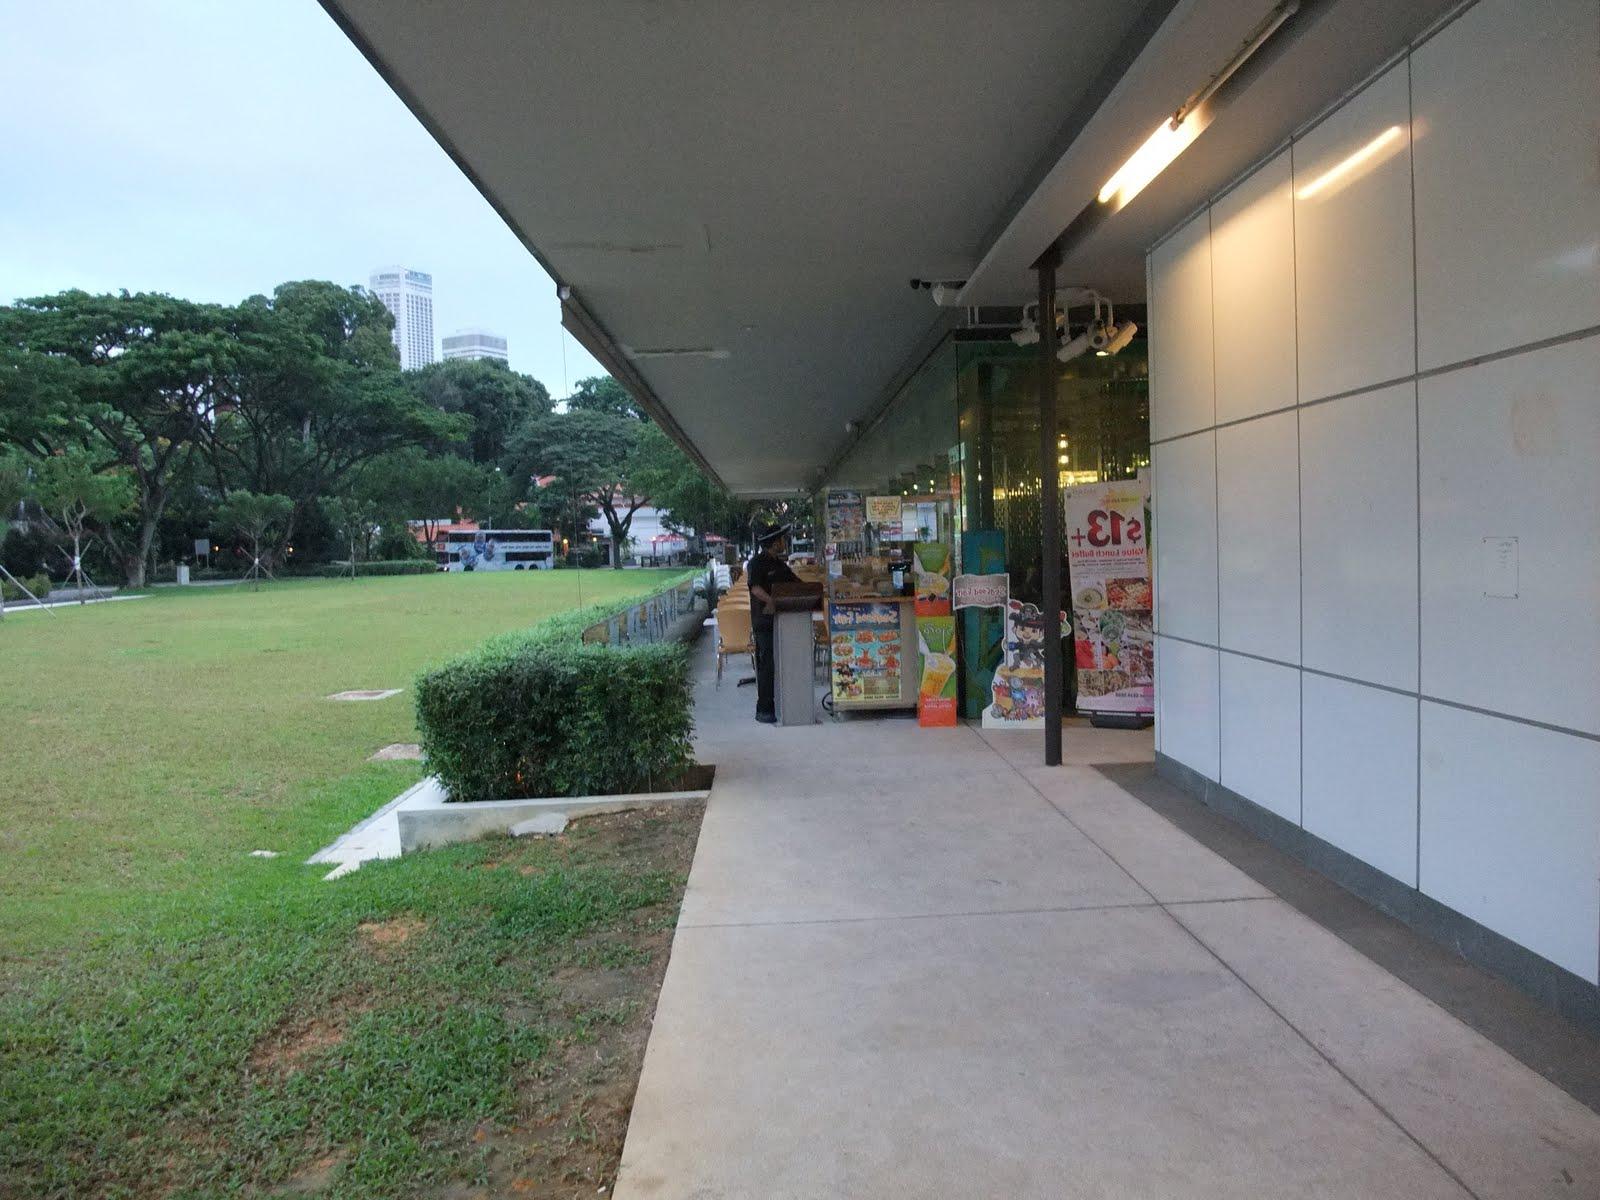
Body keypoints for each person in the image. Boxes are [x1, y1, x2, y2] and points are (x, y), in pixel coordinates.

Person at [746, 521, 799, 723]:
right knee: (766, 665)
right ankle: (764, 709)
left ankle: (785, 704)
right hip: (764, 622)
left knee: (783, 663)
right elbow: (755, 588)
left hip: (784, 622)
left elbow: (796, 585)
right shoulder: (756, 564)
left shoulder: (780, 565)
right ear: (774, 543)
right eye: (782, 540)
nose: (784, 542)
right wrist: (772, 601)